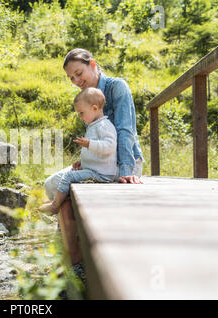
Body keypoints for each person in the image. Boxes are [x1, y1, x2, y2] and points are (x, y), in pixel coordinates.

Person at [43, 48, 144, 280]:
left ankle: (73, 254)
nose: (76, 81)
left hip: (124, 162)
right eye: (71, 78)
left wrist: (126, 172)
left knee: (66, 190)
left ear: (93, 64)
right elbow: (97, 139)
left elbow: (125, 131)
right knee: (51, 185)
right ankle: (74, 247)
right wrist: (85, 159)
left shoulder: (117, 87)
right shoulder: (87, 96)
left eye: (79, 73)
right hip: (99, 163)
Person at [40, 87, 117, 215]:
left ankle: (55, 205)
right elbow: (95, 153)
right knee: (71, 174)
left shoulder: (104, 126)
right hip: (94, 170)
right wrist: (82, 162)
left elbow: (109, 146)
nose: (80, 117)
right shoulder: (94, 125)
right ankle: (60, 203)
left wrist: (89, 144)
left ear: (94, 108)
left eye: (81, 113)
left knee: (69, 176)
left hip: (101, 174)